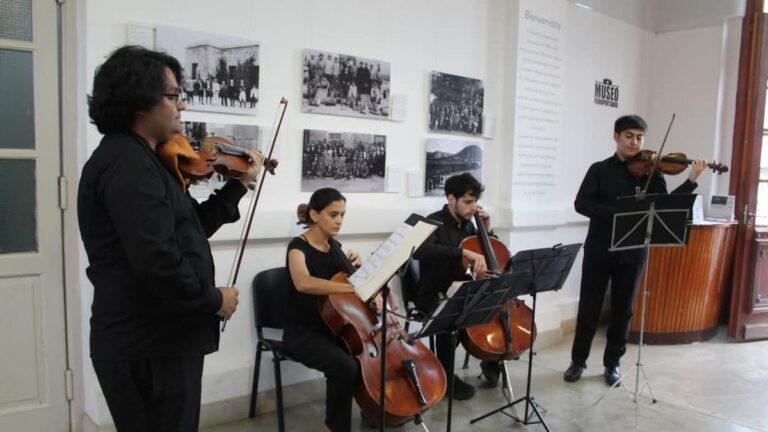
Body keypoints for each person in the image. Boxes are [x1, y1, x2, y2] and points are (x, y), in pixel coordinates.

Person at [78, 45, 262, 431]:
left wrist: (237, 188)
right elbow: (159, 260)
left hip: (155, 341)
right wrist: (215, 300)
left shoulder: (141, 160)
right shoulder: (129, 167)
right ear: (140, 100)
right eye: (174, 95)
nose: (182, 106)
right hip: (149, 344)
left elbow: (186, 230)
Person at [563, 114, 707, 386]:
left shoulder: (653, 172)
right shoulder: (599, 169)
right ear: (616, 137)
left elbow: (666, 205)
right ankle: (578, 361)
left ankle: (612, 364)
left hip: (632, 252)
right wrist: (618, 213)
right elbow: (581, 204)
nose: (634, 142)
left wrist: (692, 179)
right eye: (629, 136)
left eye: (639, 137)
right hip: (599, 249)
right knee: (590, 307)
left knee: (623, 310)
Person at [412, 172, 501, 400]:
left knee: (494, 305)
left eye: (475, 202)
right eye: (468, 202)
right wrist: (461, 252)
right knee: (450, 319)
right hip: (433, 293)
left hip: (462, 290)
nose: (473, 208)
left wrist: (487, 230)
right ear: (452, 199)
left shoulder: (471, 226)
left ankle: (491, 361)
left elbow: (493, 255)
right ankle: (446, 379)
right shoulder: (432, 221)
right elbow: (421, 251)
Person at [284, 188, 365, 432]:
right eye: (333, 214)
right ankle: (334, 428)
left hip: (334, 329)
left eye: (342, 215)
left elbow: (354, 290)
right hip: (302, 333)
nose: (339, 221)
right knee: (344, 366)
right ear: (314, 215)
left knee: (368, 361)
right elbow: (303, 282)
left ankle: (373, 411)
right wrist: (348, 288)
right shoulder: (298, 247)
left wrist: (357, 269)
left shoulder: (336, 248)